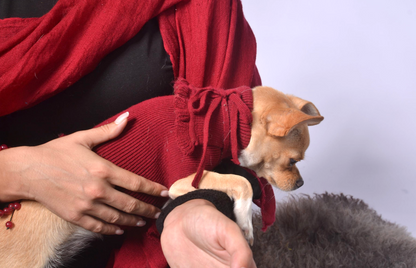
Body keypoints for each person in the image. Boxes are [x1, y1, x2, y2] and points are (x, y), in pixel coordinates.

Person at [0, 0, 260, 267]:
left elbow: (227, 135)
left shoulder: (207, 7)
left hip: (155, 248)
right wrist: (20, 172)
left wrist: (195, 206)